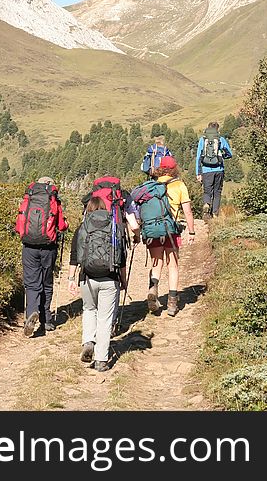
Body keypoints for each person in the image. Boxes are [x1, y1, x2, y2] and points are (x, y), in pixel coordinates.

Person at [66, 183, 140, 371]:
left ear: (87, 209)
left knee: (89, 310)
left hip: (87, 278)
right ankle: (101, 360)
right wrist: (123, 280)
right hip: (110, 277)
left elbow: (75, 256)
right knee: (105, 319)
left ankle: (88, 341)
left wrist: (71, 279)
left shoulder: (82, 228)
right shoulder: (115, 227)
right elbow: (121, 258)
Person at [14, 176, 68, 337]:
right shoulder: (53, 201)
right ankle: (46, 320)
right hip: (48, 248)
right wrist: (66, 224)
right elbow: (61, 226)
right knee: (46, 282)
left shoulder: (28, 198)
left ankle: (31, 313)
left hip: (29, 247)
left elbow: (19, 226)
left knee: (31, 284)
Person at [144, 156, 195, 317]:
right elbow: (187, 211)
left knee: (156, 263)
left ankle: (153, 288)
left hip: (154, 229)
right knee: (172, 265)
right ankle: (172, 303)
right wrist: (192, 232)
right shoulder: (179, 185)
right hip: (171, 230)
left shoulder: (153, 185)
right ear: (174, 169)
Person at [195, 121, 233, 221]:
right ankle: (215, 214)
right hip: (219, 169)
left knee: (207, 192)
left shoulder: (202, 140)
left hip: (206, 170)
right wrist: (223, 155)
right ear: (217, 129)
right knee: (217, 192)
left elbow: (199, 157)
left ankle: (207, 204)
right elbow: (230, 154)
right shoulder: (221, 139)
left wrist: (198, 173)